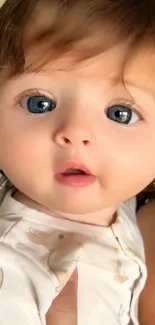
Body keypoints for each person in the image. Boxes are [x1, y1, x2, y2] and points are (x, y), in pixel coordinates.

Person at [0, 0, 155, 324]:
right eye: (39, 103)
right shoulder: (11, 272)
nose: (75, 133)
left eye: (120, 114)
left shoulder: (116, 201)